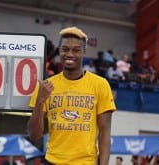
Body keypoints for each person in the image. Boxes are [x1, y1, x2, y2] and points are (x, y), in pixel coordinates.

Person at [27, 26, 116, 165]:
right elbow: (34, 135)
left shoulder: (100, 85)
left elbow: (105, 132)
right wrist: (40, 100)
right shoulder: (45, 86)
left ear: (84, 52)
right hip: (52, 162)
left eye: (76, 50)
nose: (69, 54)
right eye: (65, 49)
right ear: (59, 50)